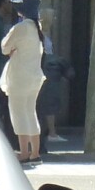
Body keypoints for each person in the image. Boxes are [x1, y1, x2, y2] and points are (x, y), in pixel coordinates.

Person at [1, 0, 47, 165]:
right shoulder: (37, 28)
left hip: (20, 77)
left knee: (18, 113)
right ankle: (35, 152)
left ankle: (24, 153)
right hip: (35, 77)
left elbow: (5, 48)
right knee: (30, 111)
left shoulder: (20, 27)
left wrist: (13, 49)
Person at [37, 11, 72, 143]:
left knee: (49, 101)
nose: (55, 19)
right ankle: (51, 132)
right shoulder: (43, 36)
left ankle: (50, 131)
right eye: (53, 16)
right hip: (47, 71)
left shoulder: (45, 35)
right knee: (49, 101)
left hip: (49, 70)